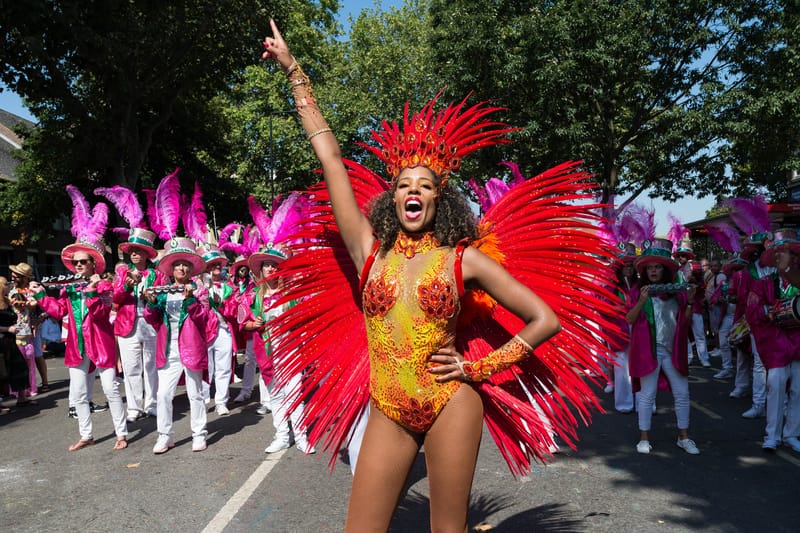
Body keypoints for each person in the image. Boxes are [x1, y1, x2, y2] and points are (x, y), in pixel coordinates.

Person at [262, 20, 566, 531]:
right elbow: (332, 158)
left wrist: (479, 368)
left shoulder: (463, 260)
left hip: (452, 401)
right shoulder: (369, 252)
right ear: (393, 197)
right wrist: (295, 72)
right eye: (405, 183)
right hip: (388, 404)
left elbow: (544, 318)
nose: (414, 191)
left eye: (425, 186)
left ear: (437, 199)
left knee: (447, 529)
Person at [34, 186, 128, 451]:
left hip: (101, 343)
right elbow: (60, 312)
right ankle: (86, 435)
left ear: (93, 264)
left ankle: (121, 433)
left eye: (83, 262)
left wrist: (94, 291)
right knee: (78, 394)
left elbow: (100, 314)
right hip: (77, 346)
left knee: (110, 389)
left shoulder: (103, 287)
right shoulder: (69, 287)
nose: (78, 266)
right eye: (75, 262)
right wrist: (42, 296)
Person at [627, 237, 699, 455]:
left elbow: (684, 321)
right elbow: (629, 319)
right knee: (647, 395)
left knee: (682, 393)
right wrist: (641, 300)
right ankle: (644, 437)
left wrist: (691, 300)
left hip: (673, 351)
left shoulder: (677, 293)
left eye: (657, 267)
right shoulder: (638, 292)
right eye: (650, 268)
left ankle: (684, 437)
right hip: (650, 351)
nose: (653, 271)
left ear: (665, 269)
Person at [144, 237, 211, 453]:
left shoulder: (199, 290)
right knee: (163, 394)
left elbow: (204, 320)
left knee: (195, 393)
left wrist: (191, 300)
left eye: (185, 264)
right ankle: (165, 436)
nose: (181, 268)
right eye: (177, 264)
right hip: (168, 350)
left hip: (191, 348)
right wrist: (152, 304)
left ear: (191, 268)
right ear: (171, 268)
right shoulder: (163, 291)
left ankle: (199, 434)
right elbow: (153, 320)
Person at [247, 244, 315, 454]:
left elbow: (307, 314)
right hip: (268, 352)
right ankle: (282, 436)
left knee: (294, 394)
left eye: (274, 265)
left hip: (291, 350)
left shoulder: (293, 293)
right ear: (261, 269)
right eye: (266, 265)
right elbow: (244, 322)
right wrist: (254, 324)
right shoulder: (255, 296)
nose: (270, 269)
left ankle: (301, 436)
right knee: (275, 395)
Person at [745, 229, 800, 452]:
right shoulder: (763, 283)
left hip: (798, 341)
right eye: (780, 254)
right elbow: (751, 310)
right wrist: (768, 311)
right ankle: (772, 435)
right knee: (775, 386)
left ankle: (792, 434)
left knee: (799, 389)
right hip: (776, 343)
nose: (784, 257)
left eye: (789, 253)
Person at [112, 228, 165, 422]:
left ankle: (152, 404)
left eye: (138, 250)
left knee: (151, 365)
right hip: (128, 325)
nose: (134, 253)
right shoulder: (122, 273)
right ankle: (134, 407)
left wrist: (151, 299)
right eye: (131, 250)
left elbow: (162, 298)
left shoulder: (156, 274)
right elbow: (115, 298)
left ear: (146, 253)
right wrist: (127, 286)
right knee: (131, 366)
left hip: (150, 323)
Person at [199, 243, 236, 416]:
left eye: (218, 264)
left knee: (224, 367)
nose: (216, 267)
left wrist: (221, 304)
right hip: (205, 330)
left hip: (224, 330)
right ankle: (205, 400)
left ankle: (221, 401)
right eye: (212, 264)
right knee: (208, 368)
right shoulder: (198, 286)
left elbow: (234, 310)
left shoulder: (229, 287)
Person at [8, 263, 48, 394]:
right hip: (18, 330)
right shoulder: (11, 290)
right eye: (13, 275)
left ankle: (44, 382)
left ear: (25, 277)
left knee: (37, 355)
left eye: (17, 276)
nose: (13, 277)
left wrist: (36, 323)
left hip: (34, 328)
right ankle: (22, 389)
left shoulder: (35, 289)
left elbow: (46, 310)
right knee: (19, 359)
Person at [0, 276, 35, 411]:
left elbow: (23, 310)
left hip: (10, 340)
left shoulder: (8, 301)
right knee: (2, 374)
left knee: (20, 368)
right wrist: (7, 329)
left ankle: (22, 399)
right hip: (1, 341)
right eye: (5, 283)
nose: (8, 284)